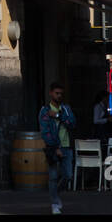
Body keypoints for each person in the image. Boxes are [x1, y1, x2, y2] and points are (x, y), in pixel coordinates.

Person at [38, 83, 76, 214]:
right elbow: (45, 132)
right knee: (53, 176)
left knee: (68, 175)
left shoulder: (66, 109)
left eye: (61, 93)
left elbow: (72, 123)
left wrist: (58, 116)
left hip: (67, 146)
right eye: (56, 93)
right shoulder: (44, 111)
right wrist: (55, 147)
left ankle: (56, 194)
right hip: (53, 148)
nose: (59, 96)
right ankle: (54, 203)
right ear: (51, 93)